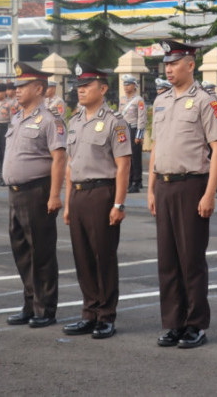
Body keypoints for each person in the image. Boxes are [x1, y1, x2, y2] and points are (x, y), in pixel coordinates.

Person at [147, 39, 217, 349]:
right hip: (164, 186)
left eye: (174, 63)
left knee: (191, 259)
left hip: (192, 185)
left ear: (190, 65)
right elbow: (155, 147)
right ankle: (172, 322)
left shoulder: (205, 101)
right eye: (166, 64)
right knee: (167, 260)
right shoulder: (161, 101)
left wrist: (209, 193)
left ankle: (195, 324)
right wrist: (151, 187)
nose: (168, 68)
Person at [62, 63, 131, 339]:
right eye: (78, 86)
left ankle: (106, 315)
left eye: (86, 86)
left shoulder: (115, 121)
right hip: (78, 194)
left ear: (102, 89)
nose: (81, 90)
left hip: (102, 193)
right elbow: (70, 164)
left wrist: (119, 204)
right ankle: (89, 312)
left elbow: (123, 165)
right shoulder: (75, 120)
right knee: (83, 257)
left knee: (103, 256)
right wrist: (67, 203)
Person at [2, 62, 66, 329]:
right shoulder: (17, 118)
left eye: (22, 86)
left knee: (41, 253)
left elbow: (59, 158)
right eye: (16, 86)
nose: (16, 90)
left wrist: (54, 195)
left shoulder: (50, 119)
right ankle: (30, 304)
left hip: (37, 192)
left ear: (38, 88)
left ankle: (45, 308)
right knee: (22, 252)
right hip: (15, 194)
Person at [118, 74, 147, 194]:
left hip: (134, 129)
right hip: (124, 129)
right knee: (126, 157)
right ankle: (129, 180)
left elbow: (142, 118)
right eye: (124, 84)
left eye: (128, 84)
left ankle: (136, 181)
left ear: (134, 86)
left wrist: (139, 135)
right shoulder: (122, 99)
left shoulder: (139, 100)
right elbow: (120, 115)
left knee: (135, 157)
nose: (126, 87)